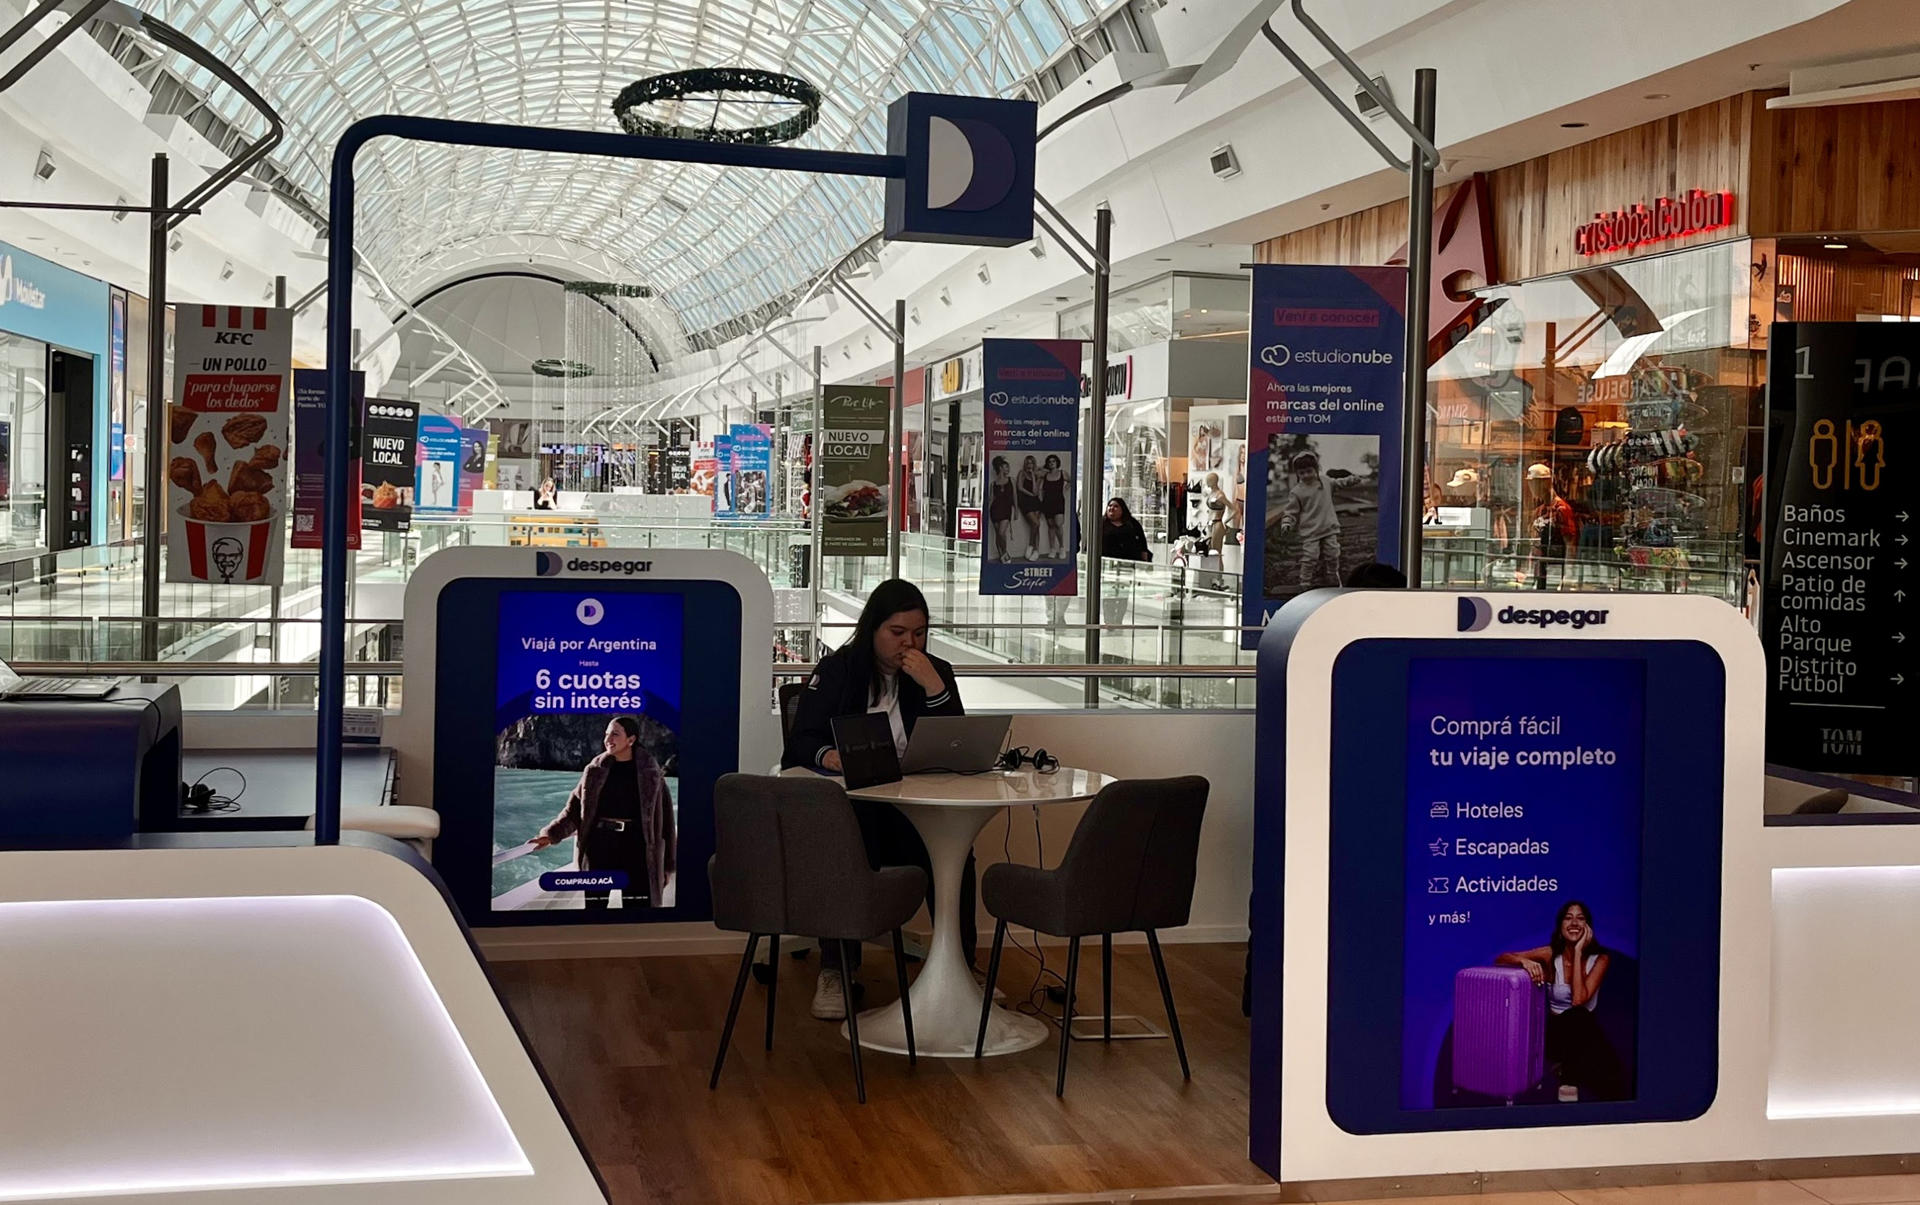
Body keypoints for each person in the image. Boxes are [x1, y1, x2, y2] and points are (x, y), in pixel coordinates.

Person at [783, 580, 974, 1020]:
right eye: (898, 632)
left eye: (920, 632)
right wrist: (829, 756)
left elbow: (956, 745)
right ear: (872, 629)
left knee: (957, 844)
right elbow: (801, 741)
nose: (910, 642)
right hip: (854, 802)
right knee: (848, 841)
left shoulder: (934, 671)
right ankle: (836, 967)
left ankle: (962, 966)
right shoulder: (839, 670)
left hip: (916, 804)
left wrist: (933, 687)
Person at [531, 716, 674, 910]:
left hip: (637, 848)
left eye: (615, 734)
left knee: (639, 908)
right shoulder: (594, 771)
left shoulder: (652, 774)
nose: (608, 739)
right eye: (606, 734)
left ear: (631, 739)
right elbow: (573, 810)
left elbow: (666, 823)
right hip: (599, 847)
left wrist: (666, 866)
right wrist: (550, 835)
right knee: (594, 908)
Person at [1497, 900, 1626, 1101]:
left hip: (1586, 1033)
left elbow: (1578, 998)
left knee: (1615, 1079)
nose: (1574, 922)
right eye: (1568, 918)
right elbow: (1501, 959)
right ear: (1560, 926)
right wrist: (1524, 961)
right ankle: (1569, 1079)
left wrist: (1577, 952)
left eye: (1580, 918)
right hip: (1556, 1035)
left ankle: (1568, 1067)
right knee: (1577, 1015)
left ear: (1588, 928)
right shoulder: (1550, 955)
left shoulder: (1601, 959)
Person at [1276, 450, 1342, 589]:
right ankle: (1305, 581)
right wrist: (1287, 522)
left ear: (1316, 469)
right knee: (1310, 556)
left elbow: (1339, 483)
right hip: (1310, 530)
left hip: (1328, 526)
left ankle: (1332, 574)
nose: (1306, 475)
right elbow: (1291, 511)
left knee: (1333, 552)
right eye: (1302, 473)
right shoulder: (1297, 491)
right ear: (1297, 474)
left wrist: (1351, 480)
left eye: (1309, 471)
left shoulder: (1325, 482)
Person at [1526, 462, 1576, 590]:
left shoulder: (1562, 509)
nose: (1531, 487)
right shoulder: (1540, 510)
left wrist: (1568, 575)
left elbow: (1570, 543)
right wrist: (1529, 569)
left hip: (1554, 570)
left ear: (1546, 482)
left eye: (1534, 483)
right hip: (1539, 570)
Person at [1100, 497, 1151, 563]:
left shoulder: (1132, 524)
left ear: (1122, 509)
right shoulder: (1101, 523)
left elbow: (1142, 543)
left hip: (1129, 562)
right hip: (1106, 562)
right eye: (1110, 506)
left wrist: (1144, 561)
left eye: (1116, 506)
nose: (1111, 508)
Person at [1041, 454, 1069, 559]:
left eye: (1053, 461)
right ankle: (1052, 549)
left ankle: (1062, 547)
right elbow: (1036, 473)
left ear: (1057, 462)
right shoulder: (1045, 475)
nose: (1051, 463)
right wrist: (1042, 468)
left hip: (1058, 501)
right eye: (1049, 462)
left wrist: (1065, 489)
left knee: (1058, 524)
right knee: (1051, 526)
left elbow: (1070, 480)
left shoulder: (1062, 473)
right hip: (1047, 502)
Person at [1015, 455, 1044, 560]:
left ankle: (1036, 550)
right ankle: (1031, 545)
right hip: (1025, 501)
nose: (1029, 465)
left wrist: (1032, 476)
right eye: (1027, 463)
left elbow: (1035, 491)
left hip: (1036, 502)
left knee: (1036, 526)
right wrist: (1030, 494)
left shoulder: (1037, 475)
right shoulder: (1021, 473)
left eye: (1031, 463)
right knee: (1036, 523)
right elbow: (1019, 487)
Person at [988, 456, 1015, 561]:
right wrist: (986, 512)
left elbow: (1014, 496)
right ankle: (1002, 554)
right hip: (995, 510)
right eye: (1005, 467)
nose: (1008, 469)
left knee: (1001, 533)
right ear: (1000, 468)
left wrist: (1016, 509)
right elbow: (991, 499)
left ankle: (1005, 552)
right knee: (997, 534)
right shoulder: (993, 484)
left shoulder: (1011, 480)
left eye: (1008, 467)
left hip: (1006, 509)